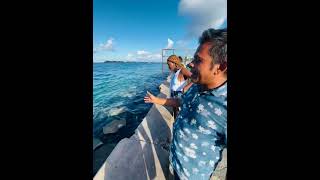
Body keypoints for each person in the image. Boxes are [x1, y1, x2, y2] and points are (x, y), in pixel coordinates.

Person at [144, 28, 227, 180]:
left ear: (220, 67)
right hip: (176, 163)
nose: (191, 64)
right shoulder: (197, 86)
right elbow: (180, 101)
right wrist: (157, 100)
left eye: (198, 60)